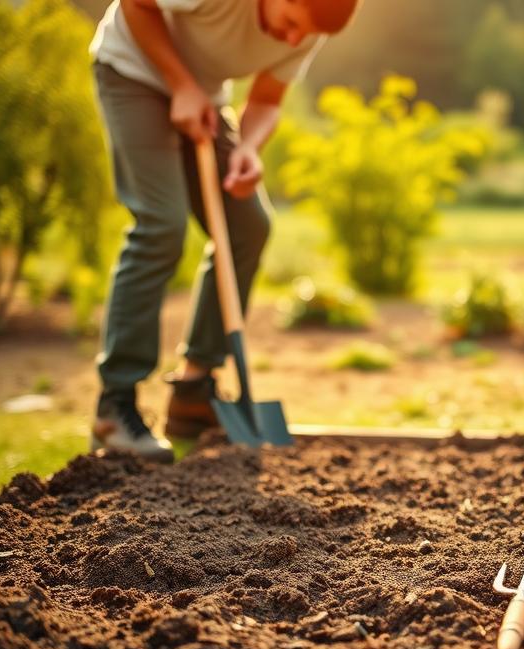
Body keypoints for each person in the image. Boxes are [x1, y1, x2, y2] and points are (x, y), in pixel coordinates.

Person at [88, 0, 360, 462]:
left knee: (249, 225)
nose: (294, 40)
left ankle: (194, 391)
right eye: (292, 24)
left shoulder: (309, 28)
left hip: (206, 99)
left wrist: (249, 148)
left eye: (304, 35)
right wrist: (180, 84)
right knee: (161, 225)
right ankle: (114, 408)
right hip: (131, 71)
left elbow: (268, 99)